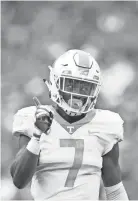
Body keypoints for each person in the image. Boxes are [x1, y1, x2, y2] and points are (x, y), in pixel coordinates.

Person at [10, 49, 129, 200]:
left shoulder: (105, 126)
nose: (78, 94)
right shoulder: (33, 118)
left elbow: (115, 191)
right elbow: (19, 181)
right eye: (72, 85)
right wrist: (36, 136)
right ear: (56, 82)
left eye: (85, 87)